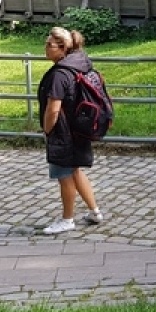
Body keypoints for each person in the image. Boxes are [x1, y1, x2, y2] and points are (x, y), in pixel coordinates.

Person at [37, 26, 105, 234]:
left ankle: (67, 219)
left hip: (63, 131)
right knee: (75, 169)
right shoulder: (81, 64)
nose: (46, 48)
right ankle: (94, 211)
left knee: (64, 174)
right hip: (80, 127)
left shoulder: (59, 74)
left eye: (50, 45)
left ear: (62, 48)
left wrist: (48, 130)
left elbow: (53, 108)